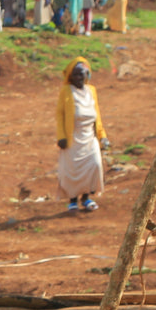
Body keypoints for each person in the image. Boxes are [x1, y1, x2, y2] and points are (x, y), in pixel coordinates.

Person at [55, 58, 109, 213]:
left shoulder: (91, 90)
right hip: (73, 137)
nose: (79, 78)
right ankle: (73, 200)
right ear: (71, 76)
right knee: (73, 170)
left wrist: (102, 136)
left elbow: (97, 114)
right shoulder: (66, 91)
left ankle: (86, 198)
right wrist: (62, 136)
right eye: (76, 75)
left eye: (82, 74)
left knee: (94, 165)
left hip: (89, 137)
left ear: (88, 75)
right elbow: (60, 115)